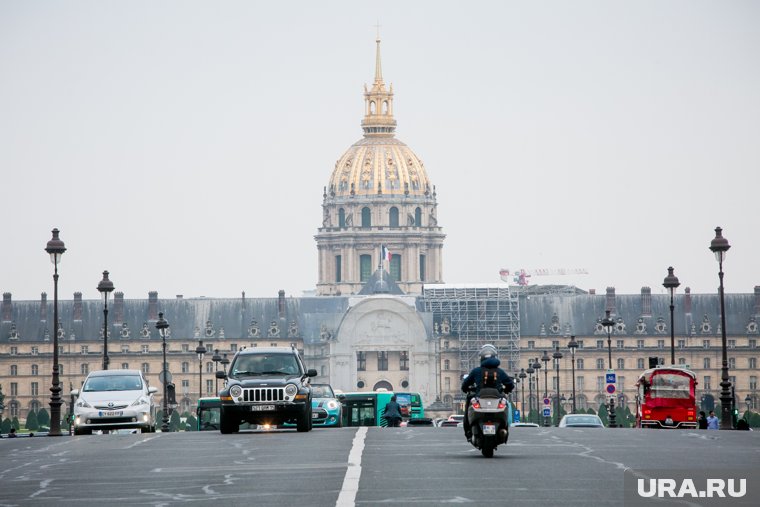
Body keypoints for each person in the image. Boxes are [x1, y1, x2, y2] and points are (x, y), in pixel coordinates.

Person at [460, 344, 515, 442]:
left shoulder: (476, 371)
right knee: (505, 403)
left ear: (481, 358)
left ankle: (468, 431)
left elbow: (465, 385)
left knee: (468, 403)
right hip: (497, 399)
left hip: (480, 399)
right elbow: (510, 384)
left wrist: (466, 389)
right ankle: (504, 429)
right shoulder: (500, 371)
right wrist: (506, 390)